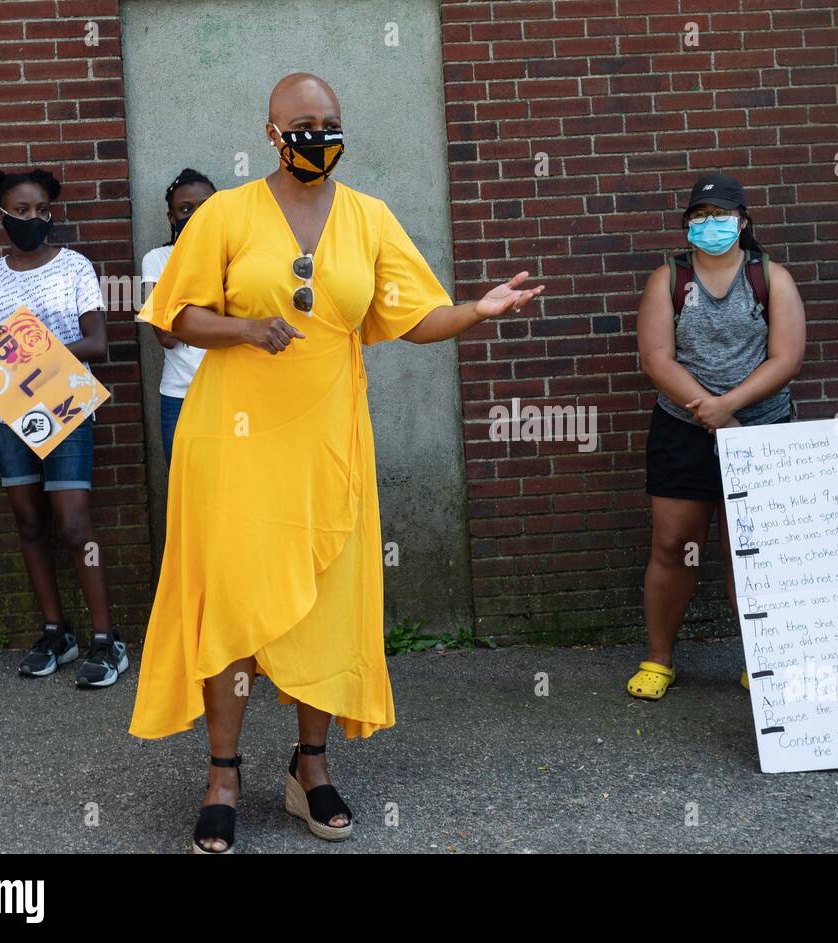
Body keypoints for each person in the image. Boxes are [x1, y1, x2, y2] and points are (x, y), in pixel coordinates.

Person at [128, 73, 544, 853]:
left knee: (324, 605)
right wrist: (248, 330)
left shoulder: (369, 218)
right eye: (303, 122)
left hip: (328, 442)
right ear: (273, 132)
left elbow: (412, 315)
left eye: (331, 121)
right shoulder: (224, 213)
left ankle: (309, 769)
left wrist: (476, 312)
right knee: (232, 603)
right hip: (234, 443)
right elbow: (175, 315)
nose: (319, 133)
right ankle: (223, 775)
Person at [628, 172, 806, 701]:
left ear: (743, 222)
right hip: (683, 429)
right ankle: (660, 659)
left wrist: (729, 407)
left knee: (749, 550)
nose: (710, 226)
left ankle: (762, 661)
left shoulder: (773, 278)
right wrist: (707, 412)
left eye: (720, 216)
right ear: (687, 227)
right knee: (672, 544)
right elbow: (656, 358)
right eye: (699, 218)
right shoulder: (668, 280)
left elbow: (787, 357)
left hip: (760, 427)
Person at [0, 168, 126, 688]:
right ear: (2, 215)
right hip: (8, 411)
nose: (33, 218)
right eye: (21, 210)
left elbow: (98, 344)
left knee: (75, 523)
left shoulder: (74, 266)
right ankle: (57, 631)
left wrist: (26, 349)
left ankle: (106, 640)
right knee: (30, 522)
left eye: (40, 209)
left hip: (65, 406)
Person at [139, 169, 218, 467]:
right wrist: (224, 325)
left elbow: (248, 323)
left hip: (230, 390)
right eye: (186, 209)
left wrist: (187, 317)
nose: (197, 215)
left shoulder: (238, 256)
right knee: (183, 484)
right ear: (172, 218)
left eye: (205, 207)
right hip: (179, 394)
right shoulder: (157, 260)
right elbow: (166, 334)